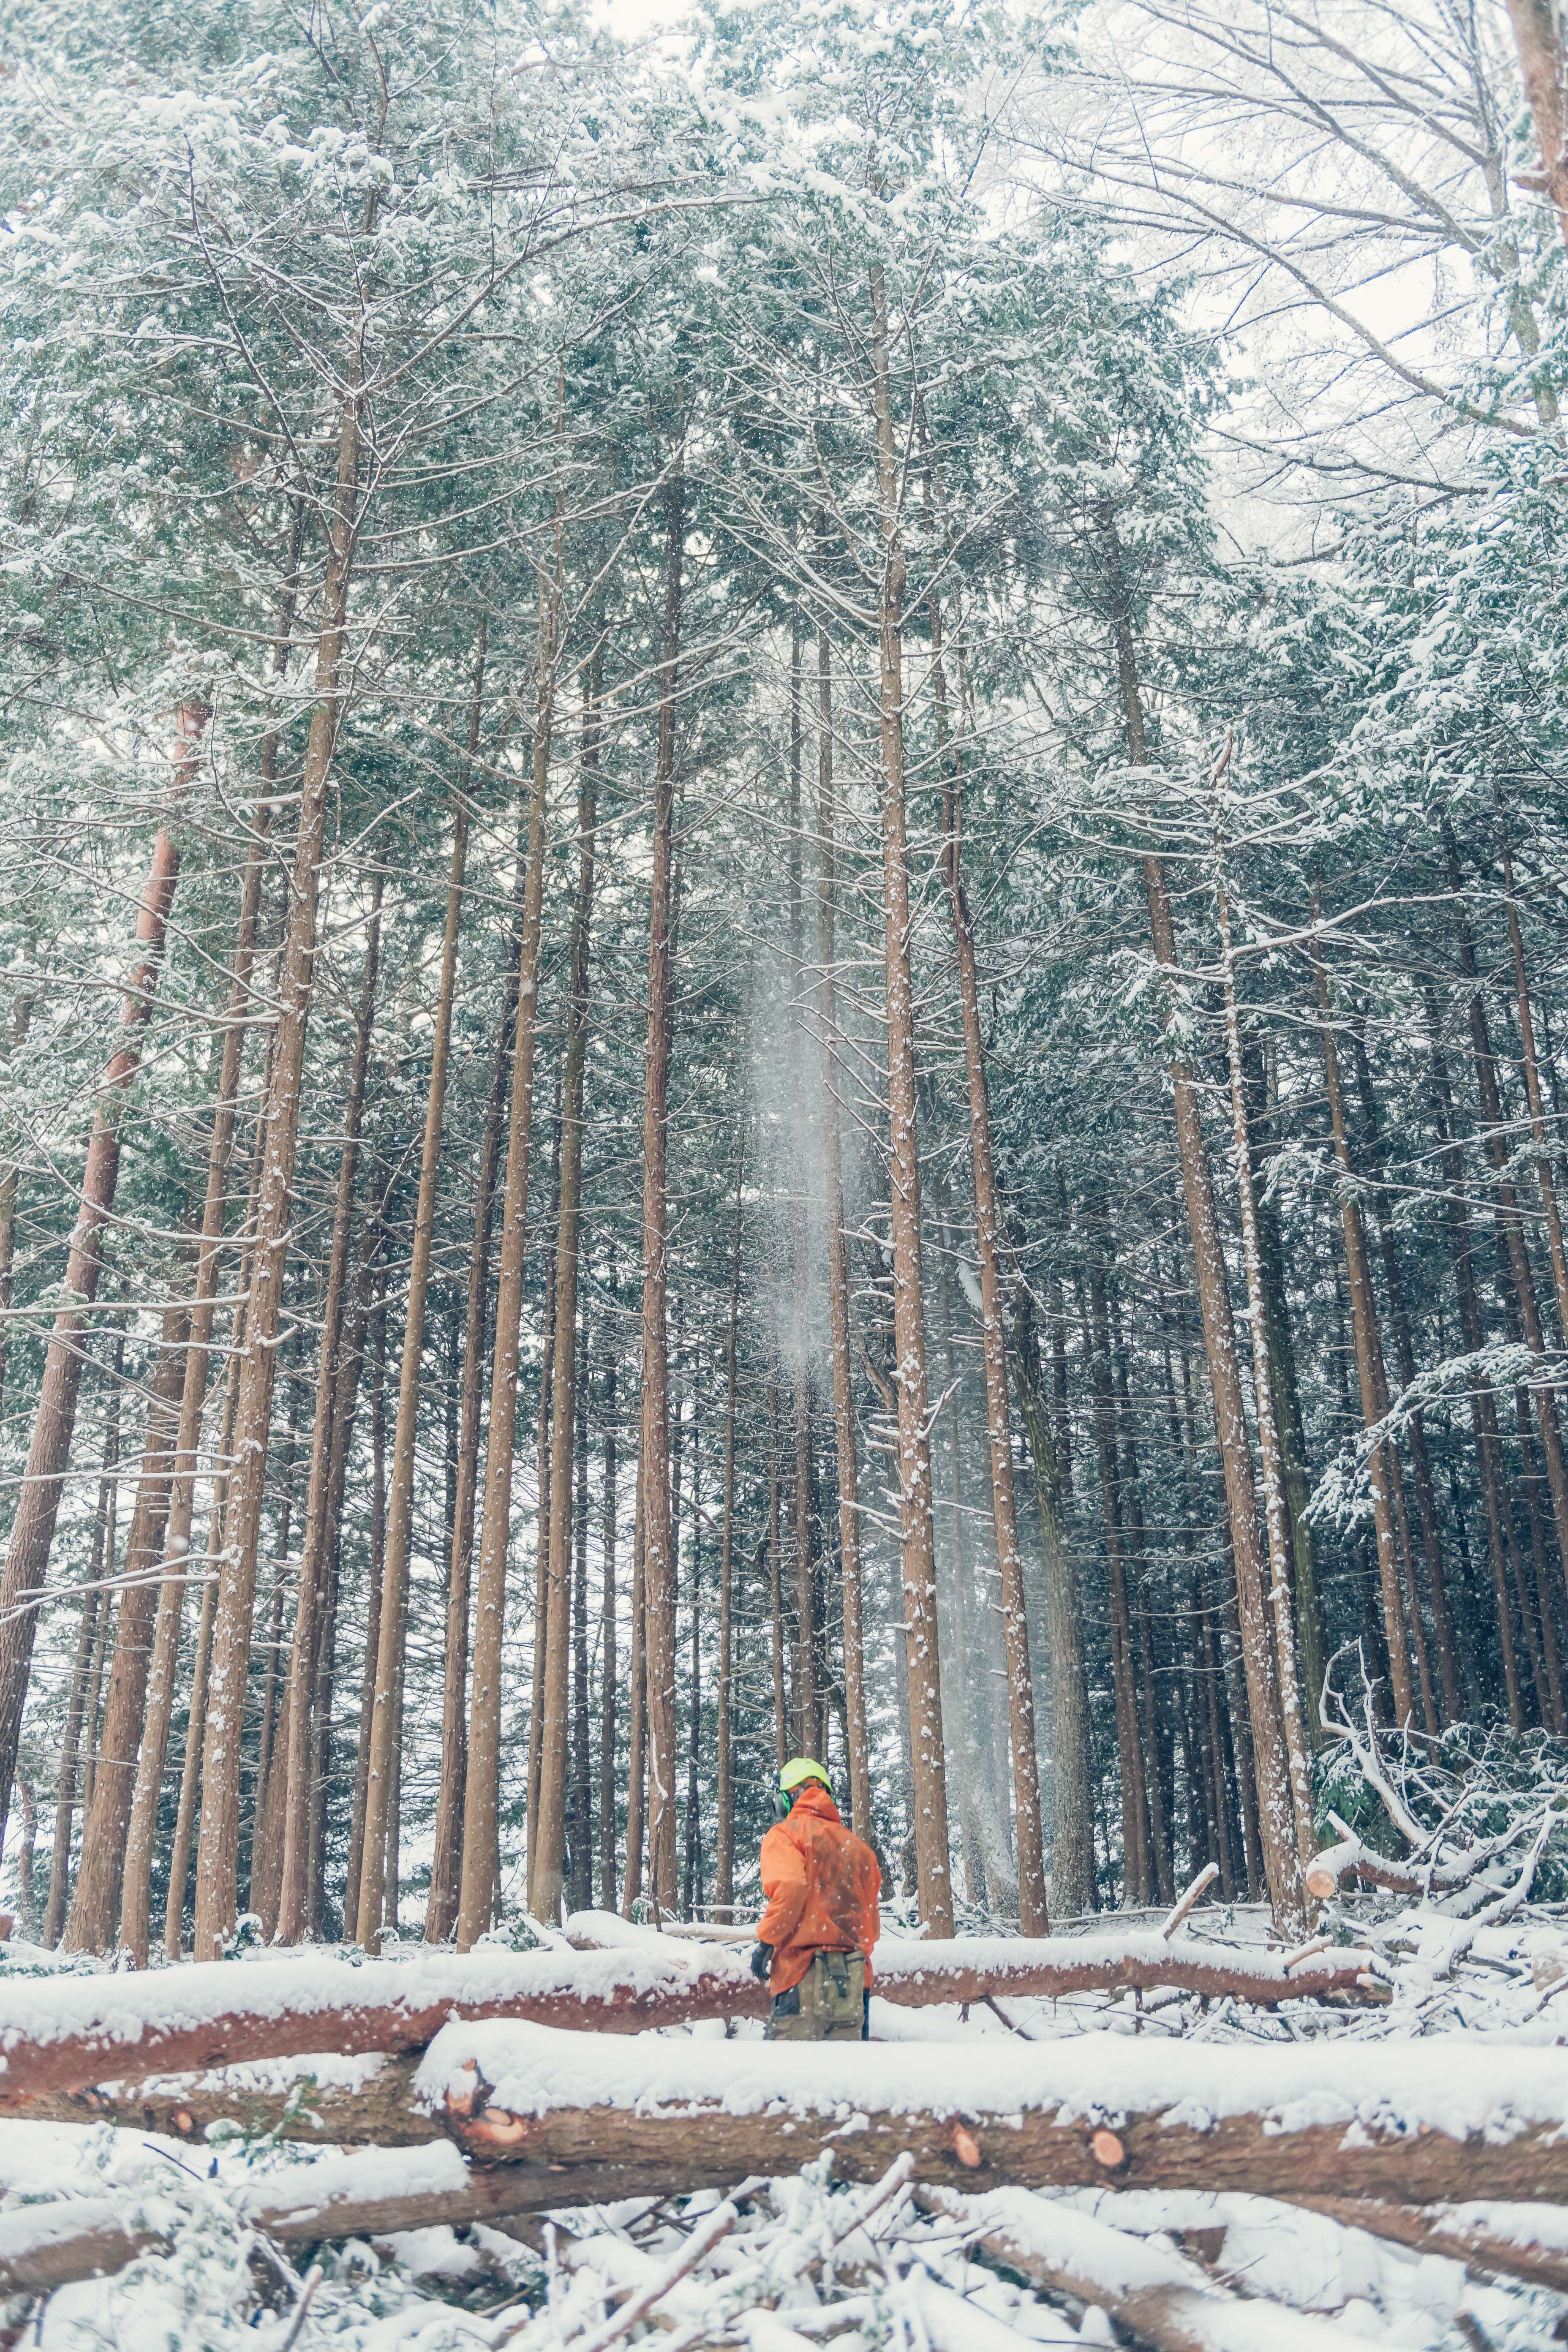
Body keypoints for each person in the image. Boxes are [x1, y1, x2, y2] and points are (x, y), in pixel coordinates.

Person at [749, 1757, 880, 2041]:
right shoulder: (860, 1850)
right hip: (854, 1986)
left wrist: (767, 1941)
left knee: (788, 2079)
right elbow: (872, 1927)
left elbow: (792, 1886)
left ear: (786, 1798)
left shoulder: (784, 1835)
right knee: (845, 2082)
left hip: (801, 1976)